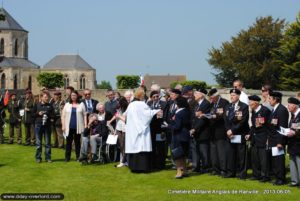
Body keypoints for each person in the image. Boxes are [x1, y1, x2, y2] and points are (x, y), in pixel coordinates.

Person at [119, 87, 162, 173]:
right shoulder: (142, 104)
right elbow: (147, 114)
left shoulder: (131, 104)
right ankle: (143, 167)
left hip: (132, 130)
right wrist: (156, 111)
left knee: (134, 147)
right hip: (142, 131)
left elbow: (124, 114)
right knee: (141, 147)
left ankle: (134, 167)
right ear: (141, 95)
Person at [224, 89, 249, 179]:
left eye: (234, 95)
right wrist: (228, 130)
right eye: (231, 95)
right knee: (231, 154)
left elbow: (242, 121)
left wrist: (233, 130)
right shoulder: (228, 106)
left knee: (241, 155)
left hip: (239, 134)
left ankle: (242, 174)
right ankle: (231, 172)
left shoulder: (244, 106)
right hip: (229, 134)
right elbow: (225, 120)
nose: (232, 97)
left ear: (238, 96)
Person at [246, 95, 271, 182]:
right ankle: (256, 175)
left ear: (256, 102)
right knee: (255, 158)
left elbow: (269, 126)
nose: (249, 104)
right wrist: (249, 134)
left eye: (250, 102)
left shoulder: (265, 111)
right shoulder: (253, 111)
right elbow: (253, 126)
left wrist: (268, 138)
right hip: (254, 138)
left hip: (263, 138)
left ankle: (265, 176)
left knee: (263, 159)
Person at [165, 96, 191, 178]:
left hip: (178, 135)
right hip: (185, 135)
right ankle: (185, 170)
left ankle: (179, 172)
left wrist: (168, 125)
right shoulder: (187, 111)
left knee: (177, 154)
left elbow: (177, 126)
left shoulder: (179, 113)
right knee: (183, 155)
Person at [267, 91, 289, 185]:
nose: (269, 100)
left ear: (276, 99)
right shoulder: (275, 109)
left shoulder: (281, 110)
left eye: (270, 98)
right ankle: (277, 178)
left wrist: (280, 142)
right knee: (275, 160)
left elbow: (282, 127)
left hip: (278, 140)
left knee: (279, 160)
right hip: (273, 139)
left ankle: (281, 179)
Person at [207, 88, 229, 176]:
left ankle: (223, 169)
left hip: (220, 130)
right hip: (212, 131)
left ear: (216, 96)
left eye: (212, 97)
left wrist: (212, 116)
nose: (211, 99)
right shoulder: (212, 104)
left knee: (221, 152)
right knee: (213, 152)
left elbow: (222, 115)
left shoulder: (224, 102)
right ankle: (215, 169)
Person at [61, 90, 87, 162]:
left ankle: (78, 157)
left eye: (75, 95)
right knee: (68, 143)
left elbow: (84, 115)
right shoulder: (67, 104)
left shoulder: (81, 104)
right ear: (70, 96)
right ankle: (67, 157)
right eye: (72, 95)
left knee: (77, 142)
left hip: (78, 127)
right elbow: (63, 116)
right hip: (68, 127)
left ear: (77, 96)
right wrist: (63, 125)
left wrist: (85, 124)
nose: (73, 97)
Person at [190, 88, 211, 173]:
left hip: (203, 131)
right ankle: (196, 166)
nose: (194, 95)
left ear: (201, 95)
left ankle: (205, 167)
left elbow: (203, 119)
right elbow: (193, 117)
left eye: (196, 93)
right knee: (195, 150)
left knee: (203, 150)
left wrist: (195, 128)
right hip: (195, 131)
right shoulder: (196, 104)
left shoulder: (206, 104)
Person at [147, 90, 167, 170]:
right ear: (151, 98)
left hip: (160, 129)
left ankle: (161, 165)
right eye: (153, 97)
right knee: (153, 147)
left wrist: (163, 130)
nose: (155, 98)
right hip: (151, 129)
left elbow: (165, 117)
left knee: (160, 147)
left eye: (157, 96)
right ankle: (153, 164)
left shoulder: (163, 104)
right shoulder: (148, 104)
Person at [34, 92, 55, 163]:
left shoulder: (50, 106)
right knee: (38, 143)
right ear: (41, 97)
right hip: (38, 125)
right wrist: (38, 113)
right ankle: (38, 158)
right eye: (45, 97)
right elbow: (32, 114)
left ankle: (48, 158)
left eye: (47, 97)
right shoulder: (37, 105)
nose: (47, 98)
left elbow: (53, 115)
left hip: (47, 126)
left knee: (47, 143)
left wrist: (49, 117)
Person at [109, 97, 128, 167]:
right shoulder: (119, 108)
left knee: (124, 145)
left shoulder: (127, 109)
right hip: (119, 127)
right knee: (120, 145)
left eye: (118, 102)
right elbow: (116, 115)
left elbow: (126, 119)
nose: (117, 104)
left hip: (125, 128)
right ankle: (122, 161)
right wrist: (110, 121)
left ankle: (124, 161)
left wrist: (119, 116)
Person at [286, 97, 300, 187]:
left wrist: (295, 132)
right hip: (292, 142)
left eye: (289, 104)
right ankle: (294, 181)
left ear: (295, 105)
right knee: (292, 162)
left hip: (298, 142)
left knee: (299, 162)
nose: (288, 106)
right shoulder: (293, 114)